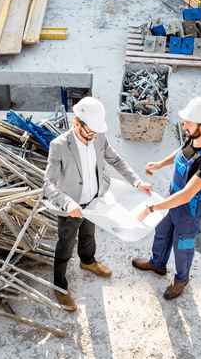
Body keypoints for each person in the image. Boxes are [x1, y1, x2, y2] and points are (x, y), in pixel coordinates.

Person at [44, 97, 152, 311]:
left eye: (96, 131)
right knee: (65, 246)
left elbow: (116, 160)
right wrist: (66, 203)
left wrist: (137, 181)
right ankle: (60, 286)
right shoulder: (59, 146)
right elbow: (48, 183)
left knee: (88, 235)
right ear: (77, 123)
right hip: (71, 207)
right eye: (90, 131)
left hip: (94, 201)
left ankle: (87, 261)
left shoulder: (98, 136)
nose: (93, 136)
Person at [132, 97, 201, 300]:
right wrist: (160, 164)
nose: (185, 126)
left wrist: (152, 207)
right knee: (162, 231)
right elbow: (181, 152)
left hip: (189, 207)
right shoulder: (195, 136)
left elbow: (187, 194)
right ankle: (157, 264)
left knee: (182, 244)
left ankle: (181, 279)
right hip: (172, 197)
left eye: (189, 123)